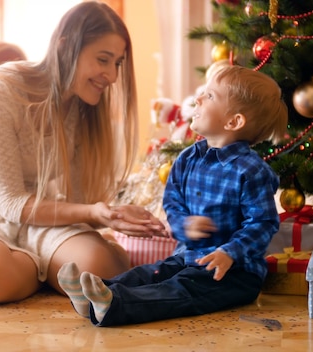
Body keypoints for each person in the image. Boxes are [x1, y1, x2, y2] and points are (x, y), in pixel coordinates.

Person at [0, 1, 167, 305]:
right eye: (103, 60)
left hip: (38, 223)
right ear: (65, 47)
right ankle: (43, 272)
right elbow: (11, 203)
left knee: (103, 268)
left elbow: (78, 202)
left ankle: (34, 269)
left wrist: (112, 213)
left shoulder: (81, 105)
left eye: (117, 63)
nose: (113, 76)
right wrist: (94, 212)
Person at [58, 60, 289, 326]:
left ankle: (114, 304)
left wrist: (230, 252)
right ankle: (94, 294)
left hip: (231, 273)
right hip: (186, 257)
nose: (199, 98)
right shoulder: (188, 158)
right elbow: (173, 202)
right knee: (151, 273)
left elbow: (263, 223)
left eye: (210, 95)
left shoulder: (252, 171)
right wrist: (184, 225)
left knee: (181, 289)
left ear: (234, 121)